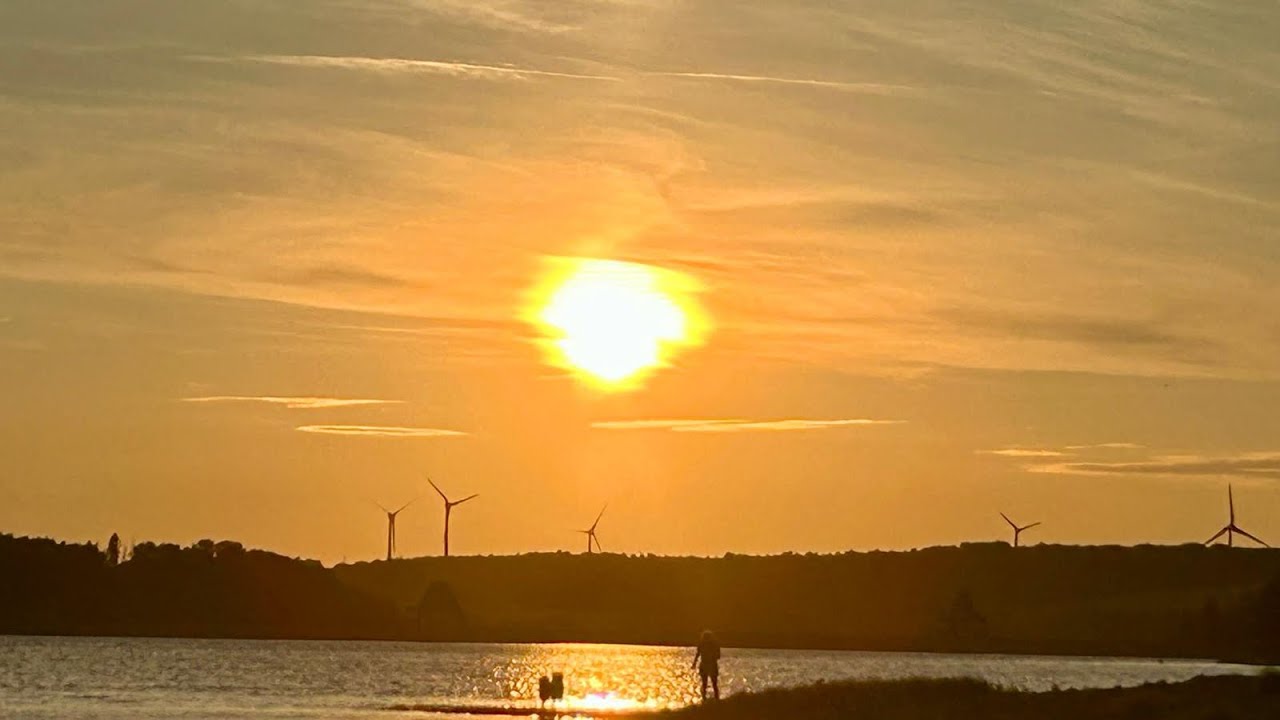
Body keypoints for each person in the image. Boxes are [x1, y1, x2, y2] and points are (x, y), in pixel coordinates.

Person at [691, 630, 721, 700]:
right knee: (712, 684)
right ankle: (712, 699)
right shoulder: (711, 645)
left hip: (708, 665)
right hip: (708, 665)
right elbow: (718, 656)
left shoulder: (705, 645)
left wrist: (694, 663)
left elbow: (697, 654)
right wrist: (694, 663)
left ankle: (707, 699)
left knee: (708, 684)